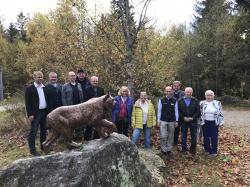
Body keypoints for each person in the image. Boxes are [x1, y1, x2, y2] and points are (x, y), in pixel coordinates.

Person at [25, 71, 49, 156]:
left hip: (44, 112)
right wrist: (30, 114)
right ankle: (33, 150)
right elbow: (28, 103)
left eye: (41, 77)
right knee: (33, 132)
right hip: (35, 114)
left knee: (43, 131)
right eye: (38, 77)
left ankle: (43, 147)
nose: (40, 78)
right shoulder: (29, 88)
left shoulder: (44, 87)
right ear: (34, 78)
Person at [200, 90, 224, 156]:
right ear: (205, 96)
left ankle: (214, 151)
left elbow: (221, 113)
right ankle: (207, 150)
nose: (209, 96)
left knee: (214, 137)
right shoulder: (201, 103)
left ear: (213, 96)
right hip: (205, 122)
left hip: (214, 123)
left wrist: (221, 123)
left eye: (211, 95)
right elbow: (200, 113)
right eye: (207, 95)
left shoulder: (217, 103)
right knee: (206, 137)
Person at [178, 87, 200, 155]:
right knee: (183, 136)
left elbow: (198, 112)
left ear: (192, 93)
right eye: (187, 92)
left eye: (190, 92)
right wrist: (183, 118)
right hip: (183, 121)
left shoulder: (195, 101)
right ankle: (184, 149)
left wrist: (192, 118)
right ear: (185, 92)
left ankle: (193, 150)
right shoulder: (180, 100)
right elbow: (178, 111)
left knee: (194, 136)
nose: (188, 93)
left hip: (193, 121)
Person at [157, 86, 179, 156]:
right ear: (165, 91)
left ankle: (169, 149)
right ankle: (163, 149)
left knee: (170, 136)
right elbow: (159, 111)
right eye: (167, 91)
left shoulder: (175, 100)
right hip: (163, 120)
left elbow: (176, 111)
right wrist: (158, 120)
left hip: (172, 121)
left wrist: (177, 121)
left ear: (172, 92)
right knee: (163, 136)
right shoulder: (161, 100)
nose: (168, 92)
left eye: (170, 91)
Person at [84, 76, 105, 140]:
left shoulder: (101, 89)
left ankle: (96, 138)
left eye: (96, 81)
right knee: (89, 125)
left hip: (99, 111)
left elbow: (103, 100)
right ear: (90, 82)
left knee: (99, 124)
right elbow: (85, 101)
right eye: (93, 81)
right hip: (90, 111)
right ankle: (87, 139)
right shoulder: (86, 89)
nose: (95, 82)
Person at [172, 81, 185, 146]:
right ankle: (174, 143)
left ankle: (183, 144)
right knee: (175, 130)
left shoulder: (184, 93)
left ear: (179, 86)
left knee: (183, 130)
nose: (176, 87)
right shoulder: (170, 93)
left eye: (177, 86)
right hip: (173, 115)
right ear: (173, 86)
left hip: (182, 114)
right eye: (175, 86)